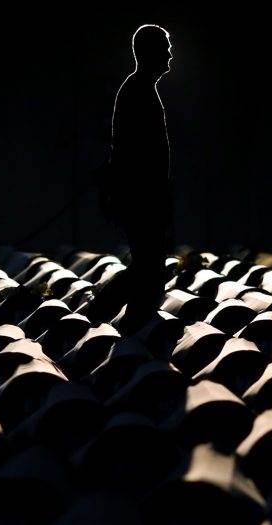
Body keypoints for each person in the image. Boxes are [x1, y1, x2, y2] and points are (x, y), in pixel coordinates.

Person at [105, 24, 174, 332]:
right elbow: (135, 152)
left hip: (145, 197)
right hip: (142, 198)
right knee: (148, 268)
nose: (170, 54)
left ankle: (132, 324)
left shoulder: (141, 89)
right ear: (149, 53)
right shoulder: (138, 91)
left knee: (147, 267)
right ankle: (106, 316)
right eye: (165, 47)